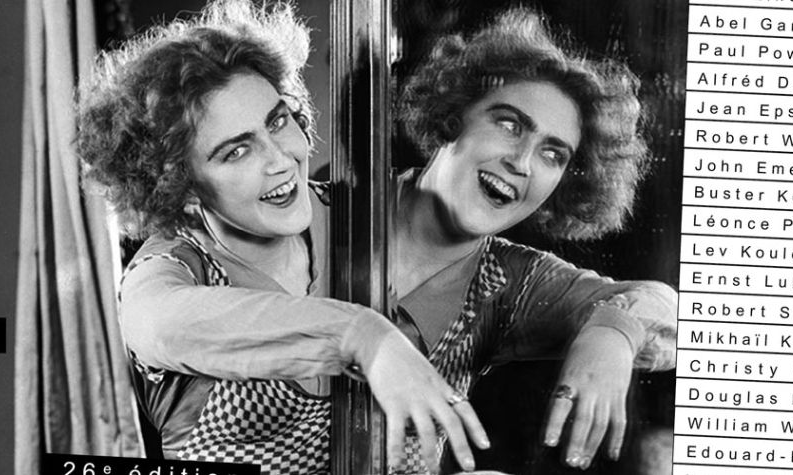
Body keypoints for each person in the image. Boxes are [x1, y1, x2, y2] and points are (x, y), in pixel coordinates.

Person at [75, 1, 488, 474]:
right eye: (236, 152)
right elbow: (159, 325)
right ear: (183, 189)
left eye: (276, 121)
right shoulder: (169, 268)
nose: (280, 159)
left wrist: (575, 332)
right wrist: (362, 335)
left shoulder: (360, 215)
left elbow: (517, 282)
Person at [390, 8, 677, 473]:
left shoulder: (514, 282)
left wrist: (613, 333)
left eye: (552, 154)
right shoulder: (325, 211)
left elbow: (668, 310)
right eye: (509, 125)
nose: (522, 162)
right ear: (453, 117)